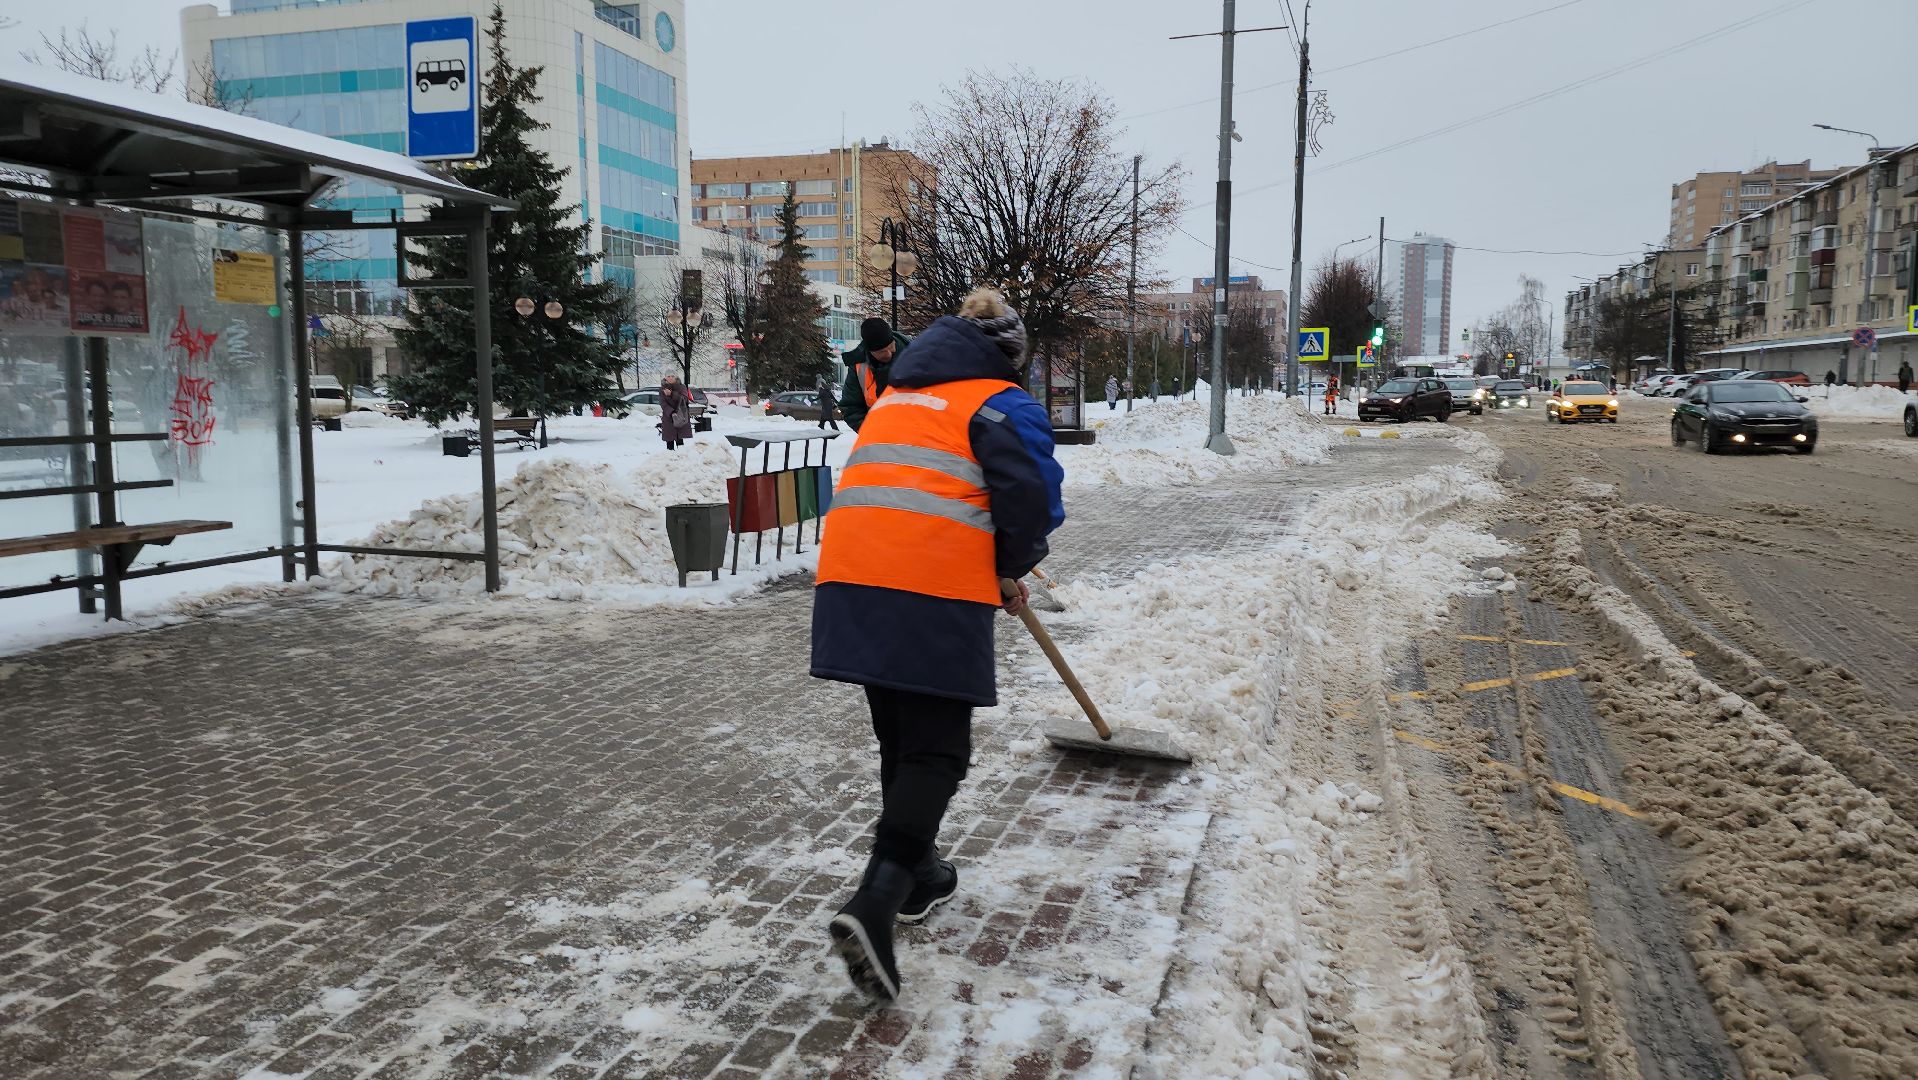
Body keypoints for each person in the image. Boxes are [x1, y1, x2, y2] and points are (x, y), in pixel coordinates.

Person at [811, 288, 1064, 1002]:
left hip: (851, 581)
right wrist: (1007, 564)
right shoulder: (1001, 402)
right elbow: (1032, 501)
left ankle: (918, 876)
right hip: (926, 587)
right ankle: (876, 901)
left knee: (901, 735)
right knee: (937, 750)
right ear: (1010, 354)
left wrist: (999, 568)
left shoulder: (898, 398)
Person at [839, 317, 912, 432]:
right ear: (870, 351)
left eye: (890, 347)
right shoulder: (859, 367)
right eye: (881, 352)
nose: (888, 354)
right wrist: (872, 432)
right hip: (881, 440)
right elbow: (851, 408)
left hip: (917, 436)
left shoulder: (916, 355)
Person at [657, 374, 693, 450]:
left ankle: (681, 457)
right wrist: (671, 412)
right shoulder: (662, 389)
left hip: (680, 415)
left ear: (676, 377)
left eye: (672, 376)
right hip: (668, 417)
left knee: (680, 440)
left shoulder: (682, 387)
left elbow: (684, 399)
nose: (670, 378)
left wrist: (672, 394)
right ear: (665, 378)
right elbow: (662, 403)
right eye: (668, 376)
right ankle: (670, 458)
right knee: (669, 440)